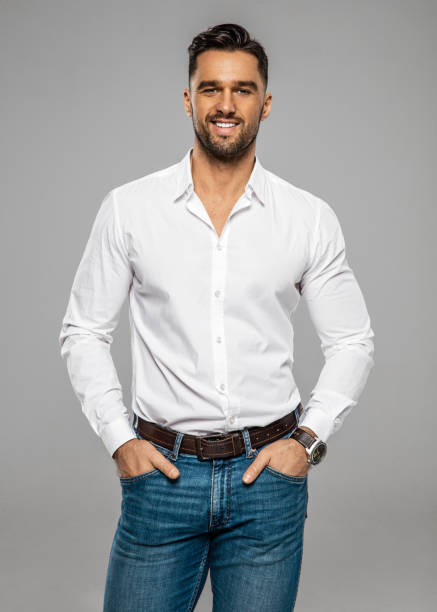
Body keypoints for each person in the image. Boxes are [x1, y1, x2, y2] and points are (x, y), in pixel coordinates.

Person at [59, 22, 375, 612]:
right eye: (211, 89)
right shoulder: (130, 210)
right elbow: (84, 331)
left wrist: (307, 443)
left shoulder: (307, 218)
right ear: (189, 99)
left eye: (242, 89)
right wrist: (119, 440)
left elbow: (353, 341)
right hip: (162, 478)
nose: (226, 104)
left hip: (268, 481)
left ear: (265, 103)